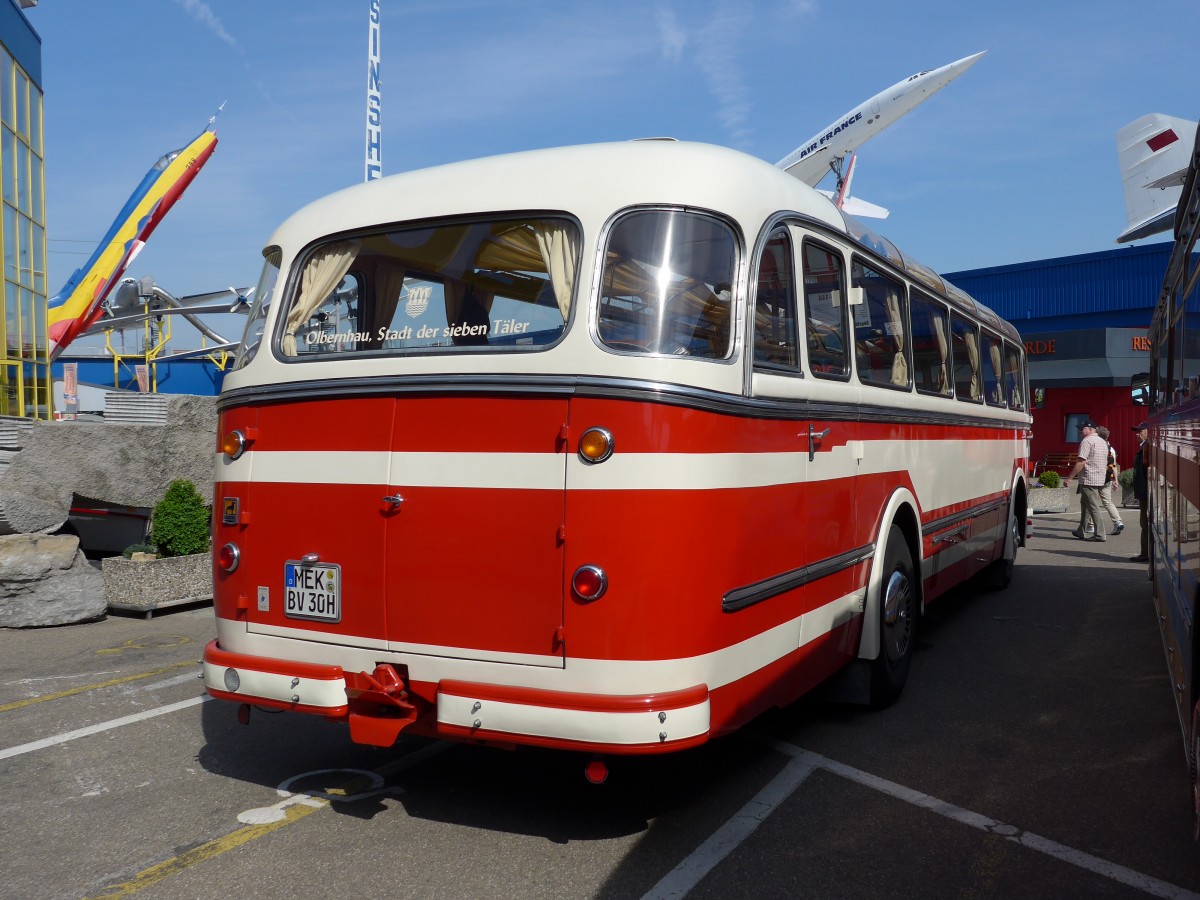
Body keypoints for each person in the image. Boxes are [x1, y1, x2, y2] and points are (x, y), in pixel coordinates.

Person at [1064, 421, 1109, 542]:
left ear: (1089, 429)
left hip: (1088, 478)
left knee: (1093, 506)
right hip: (1099, 478)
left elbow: (1081, 461)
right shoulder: (1102, 441)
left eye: (1081, 429)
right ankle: (1081, 530)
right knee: (1085, 504)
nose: (1079, 432)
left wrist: (1069, 477)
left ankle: (1100, 534)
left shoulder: (1087, 441)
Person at [1094, 425, 1125, 534]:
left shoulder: (1097, 446)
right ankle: (1118, 521)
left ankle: (1091, 525)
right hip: (1107, 478)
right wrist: (1115, 480)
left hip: (1095, 477)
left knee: (1092, 501)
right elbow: (1114, 466)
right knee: (1107, 502)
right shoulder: (1111, 449)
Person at [1130, 422, 1149, 562]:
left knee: (1146, 523)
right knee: (1145, 523)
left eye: (1140, 431)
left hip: (1146, 494)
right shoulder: (1143, 448)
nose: (1137, 433)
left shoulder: (1147, 448)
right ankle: (1145, 553)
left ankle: (1145, 554)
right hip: (1143, 493)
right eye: (1136, 431)